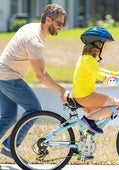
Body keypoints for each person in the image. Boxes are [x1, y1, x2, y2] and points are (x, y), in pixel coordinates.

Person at [0, 4, 70, 161]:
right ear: (48, 20)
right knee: (34, 109)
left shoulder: (32, 28)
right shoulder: (35, 40)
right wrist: (62, 90)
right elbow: (40, 75)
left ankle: (8, 147)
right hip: (8, 77)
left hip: (2, 74)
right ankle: (10, 146)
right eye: (59, 23)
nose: (61, 27)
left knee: (9, 117)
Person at [72, 27, 119, 134]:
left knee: (99, 114)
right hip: (85, 97)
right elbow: (103, 77)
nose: (106, 48)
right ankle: (88, 120)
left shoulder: (86, 58)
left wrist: (116, 74)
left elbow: (99, 71)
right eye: (105, 45)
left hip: (81, 95)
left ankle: (85, 139)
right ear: (99, 45)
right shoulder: (89, 60)